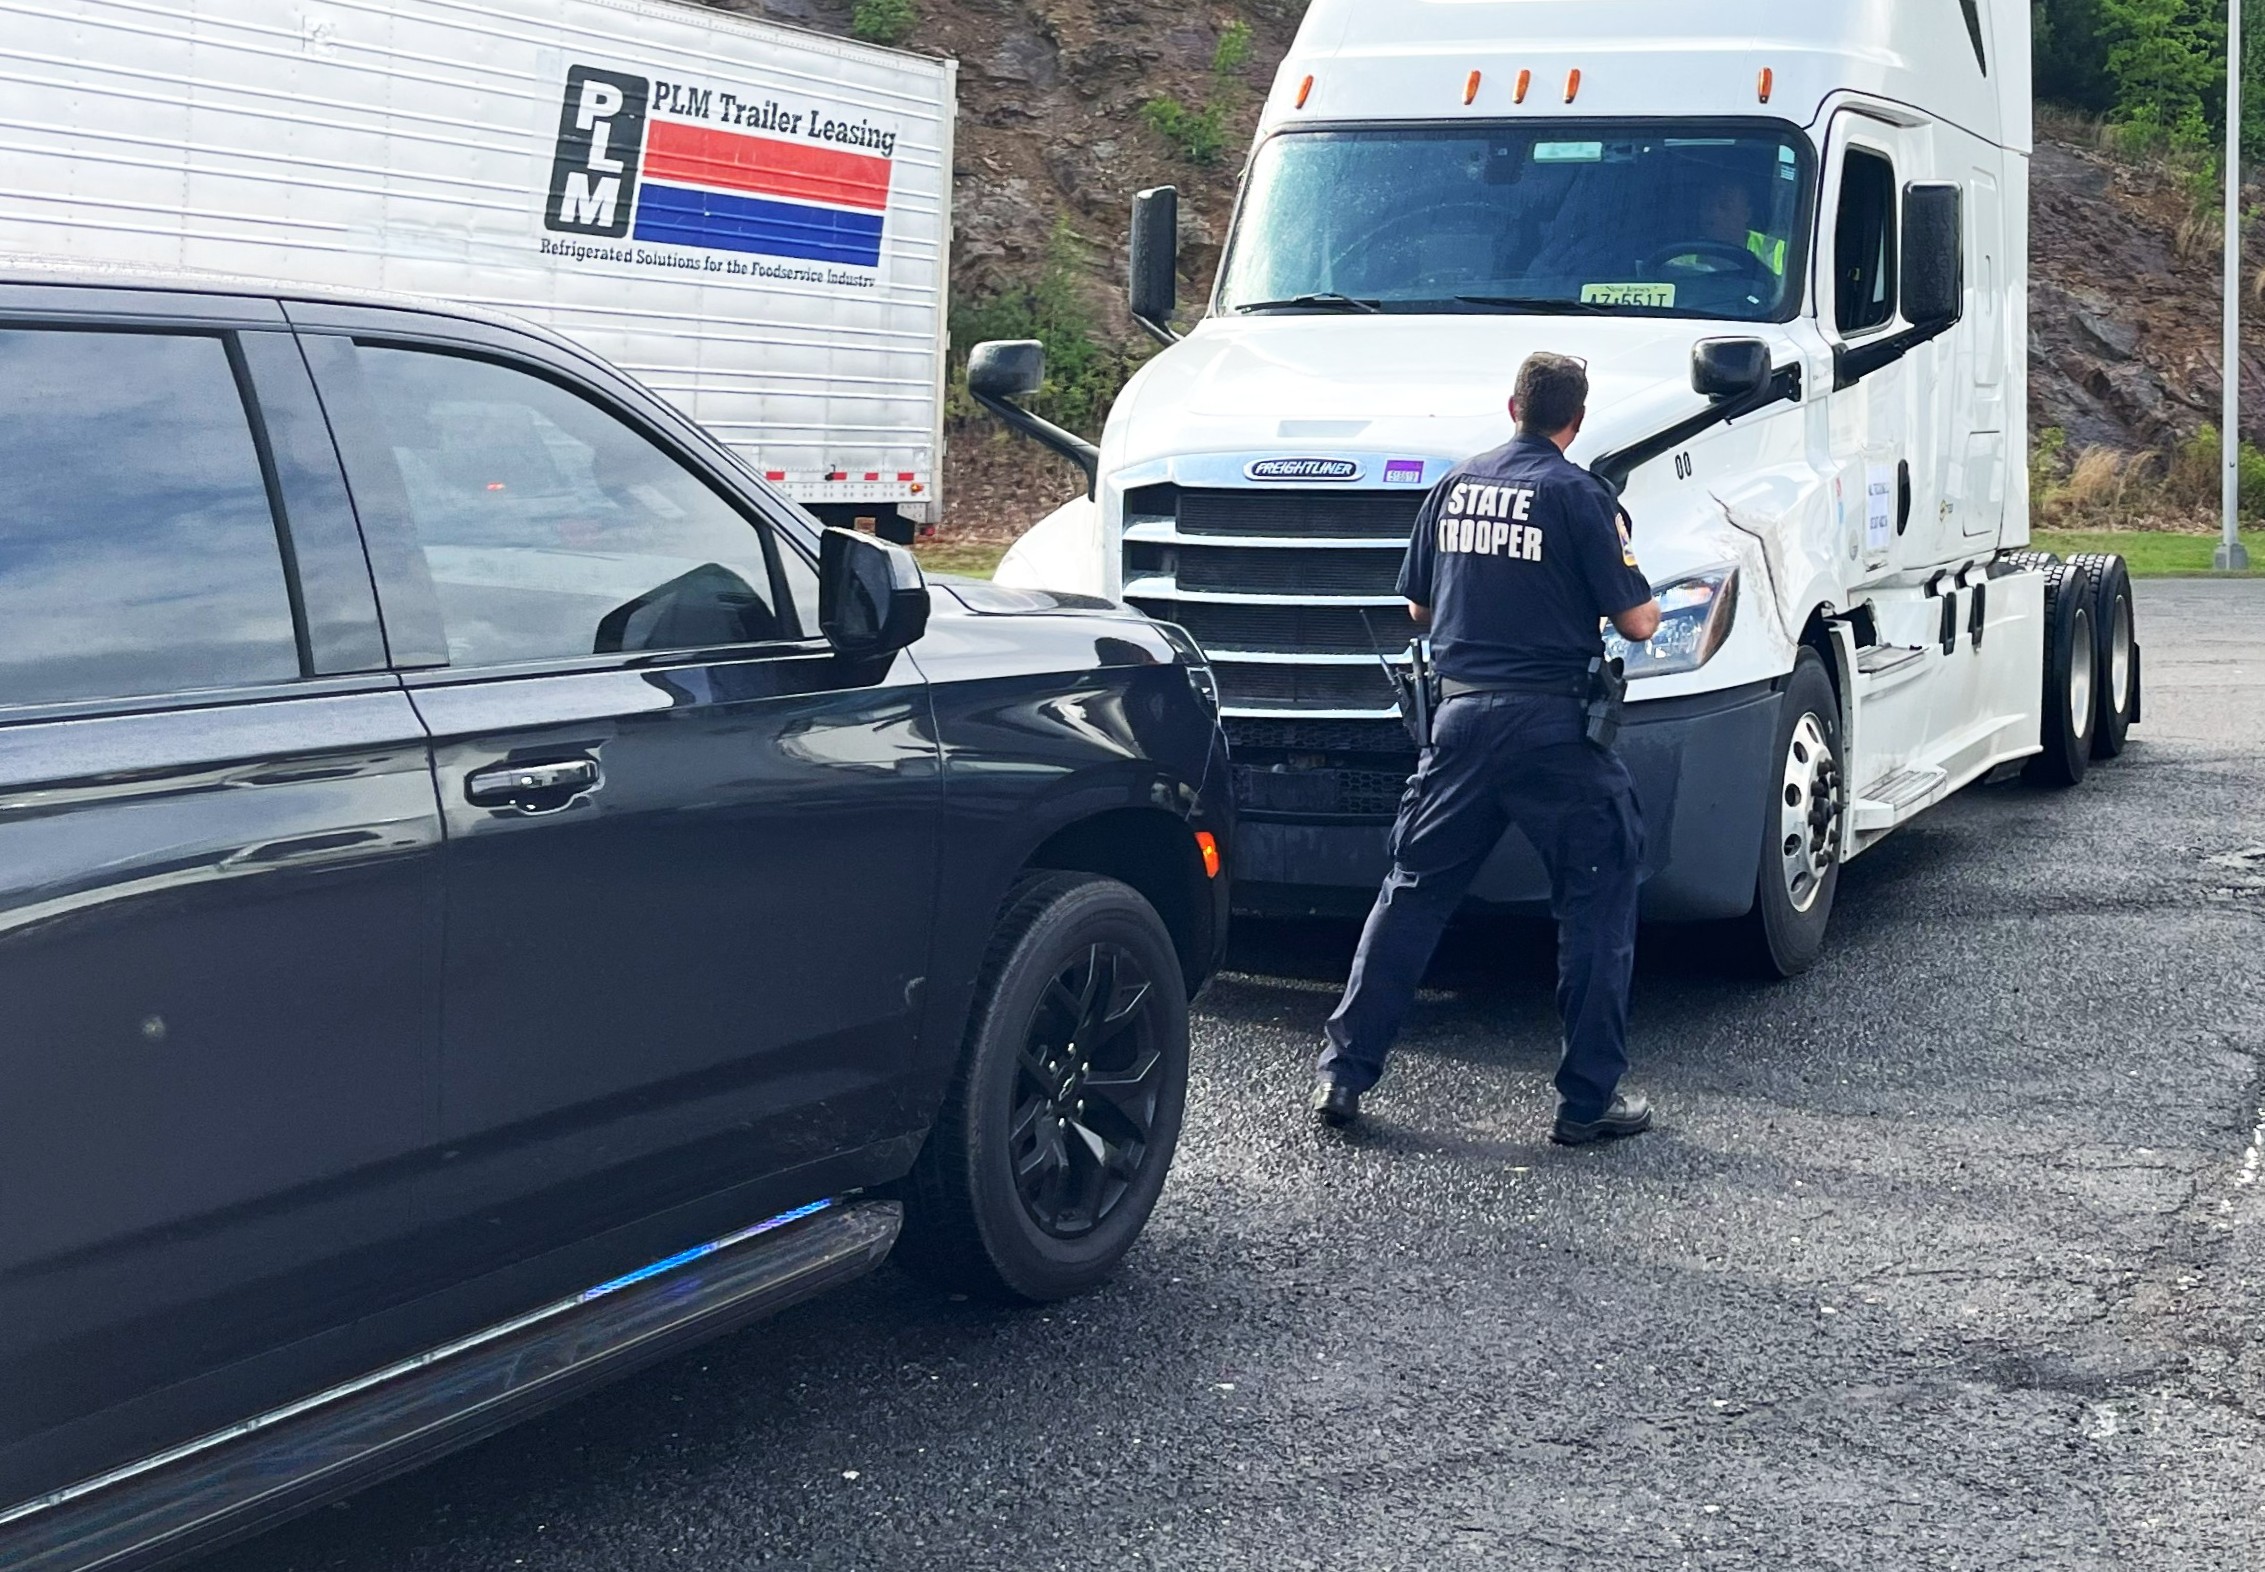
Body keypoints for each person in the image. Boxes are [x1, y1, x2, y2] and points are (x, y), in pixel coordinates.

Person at [1310, 352, 1663, 1147]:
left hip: (1459, 723)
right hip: (1554, 730)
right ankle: (1586, 1102)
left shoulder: (1454, 484)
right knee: (1596, 899)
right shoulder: (1580, 494)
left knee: (1410, 894)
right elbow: (1637, 621)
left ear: (1512, 407)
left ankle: (1343, 1074)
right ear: (1575, 419)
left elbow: (1417, 607)